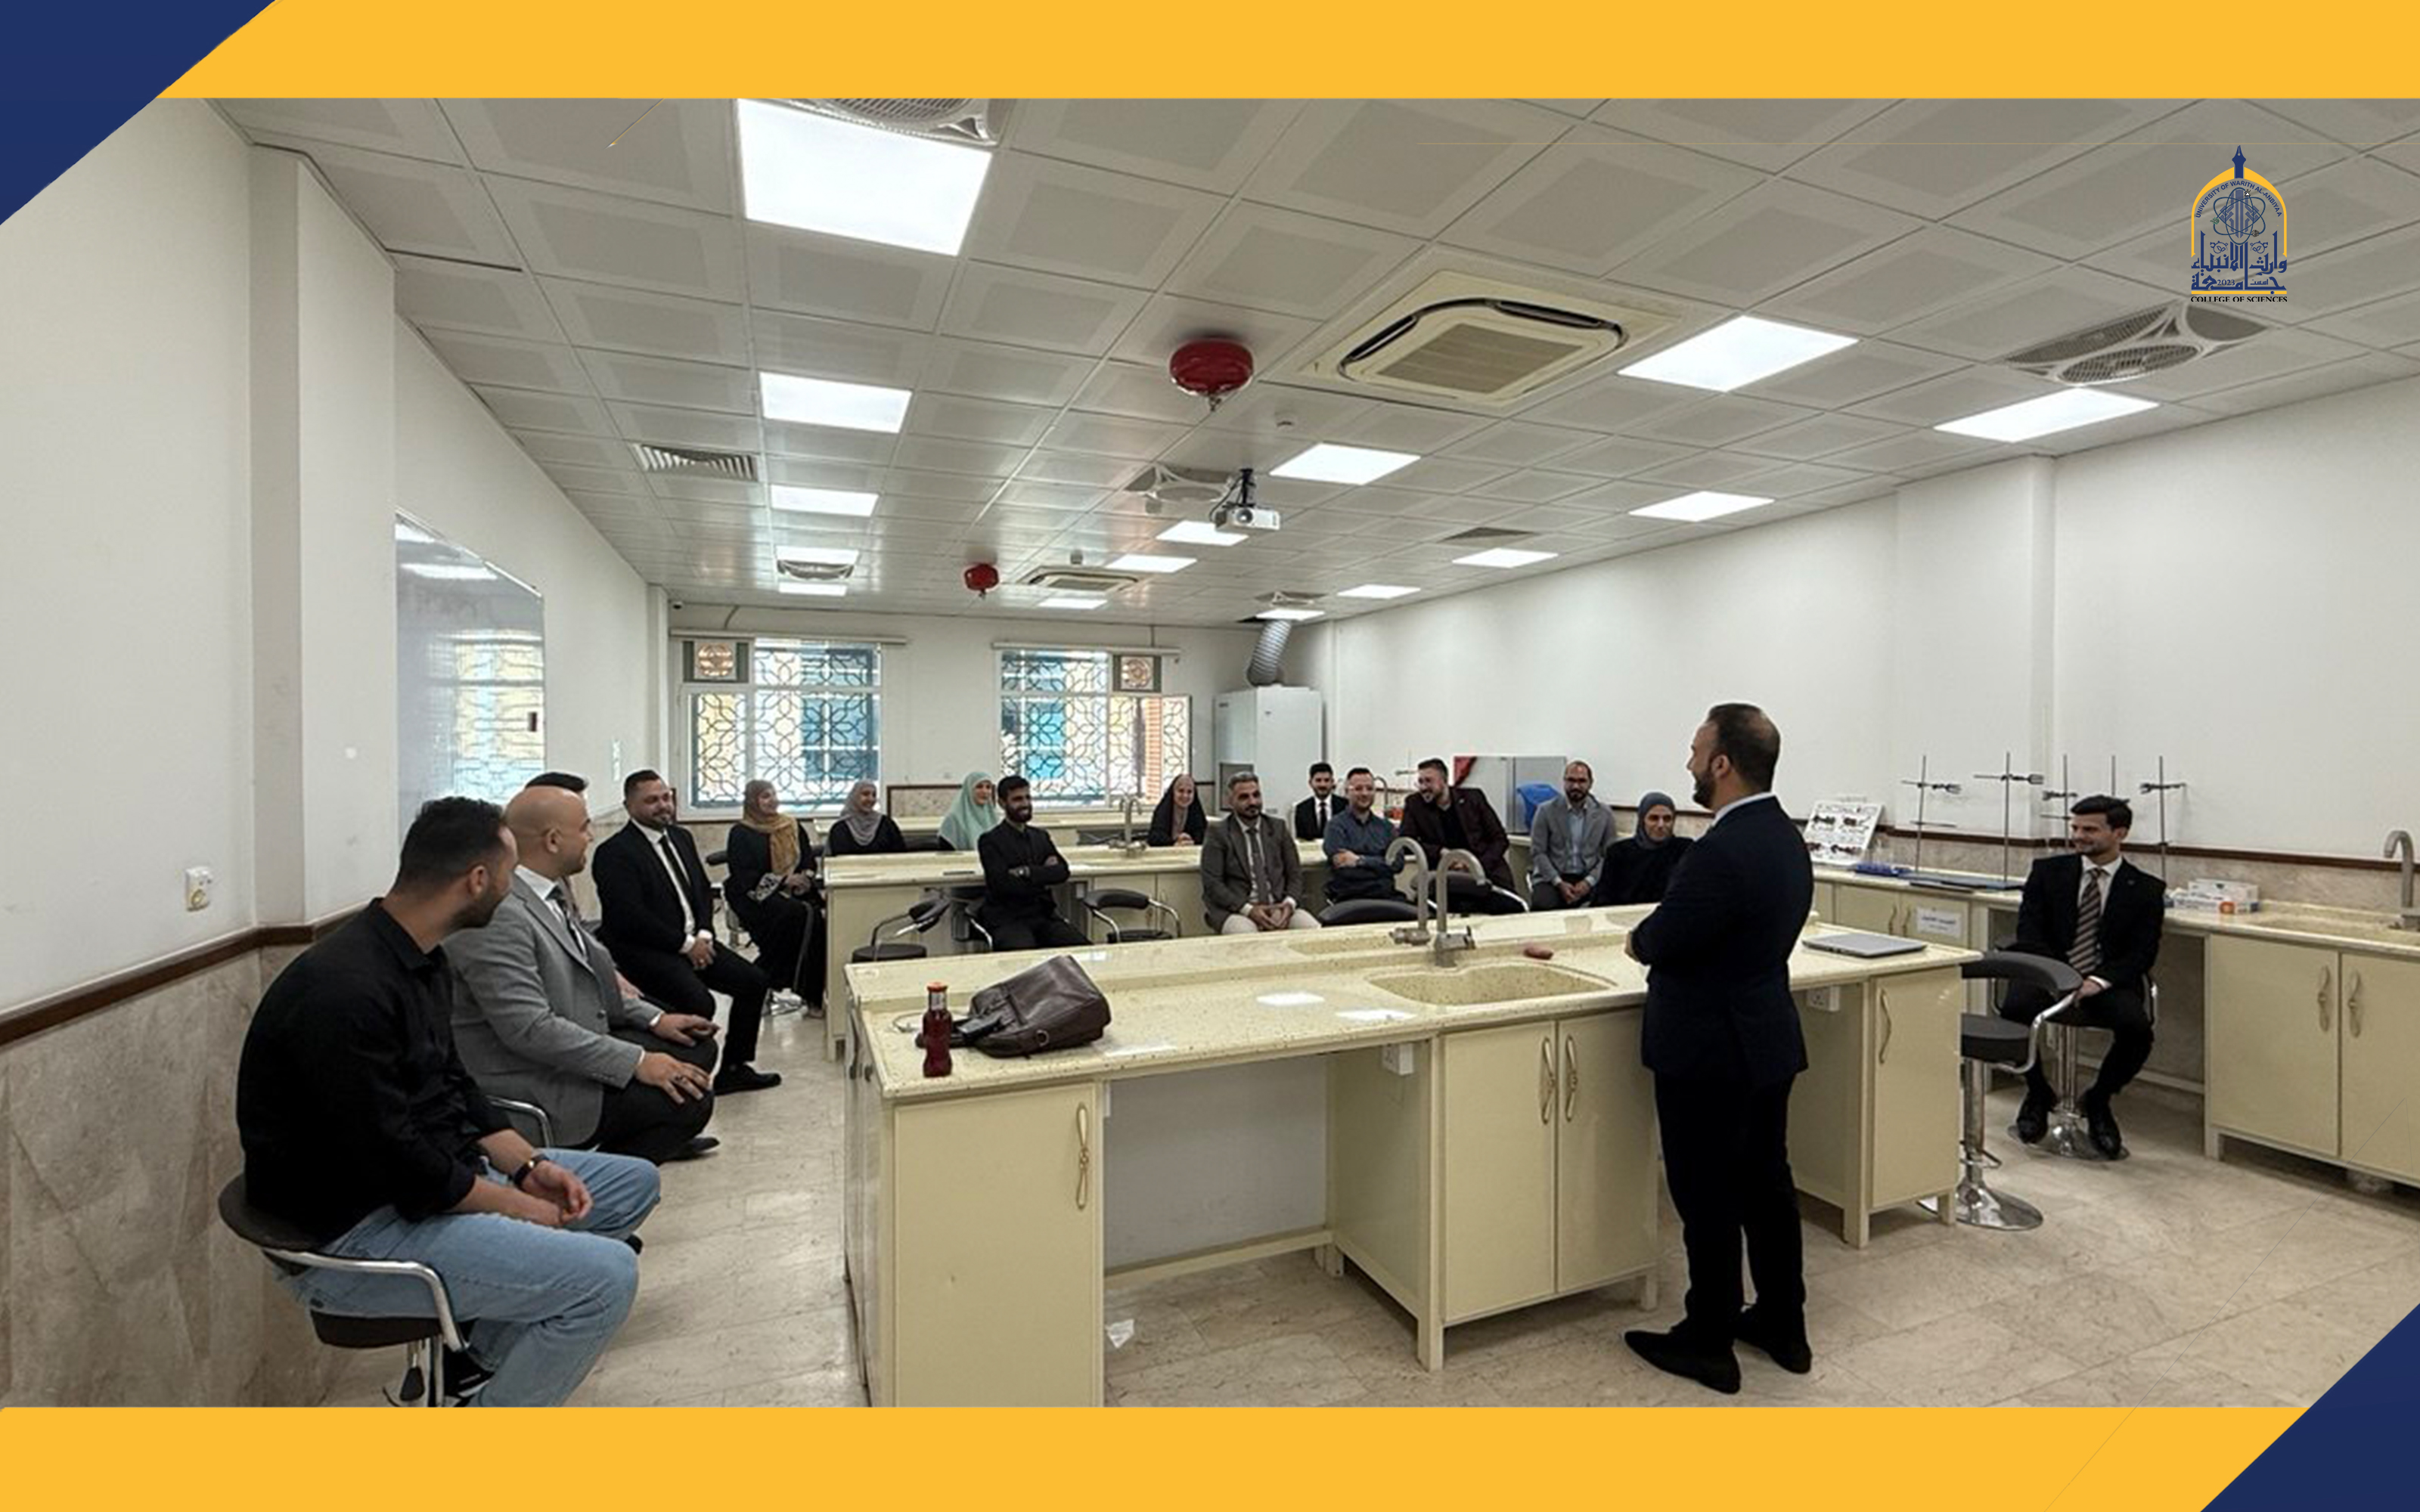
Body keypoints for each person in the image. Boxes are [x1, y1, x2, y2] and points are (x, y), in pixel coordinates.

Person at [235, 797, 659, 1408]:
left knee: (631, 1185)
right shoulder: (344, 992)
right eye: (509, 876)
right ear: (477, 880)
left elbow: (453, 1084)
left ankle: (476, 1361)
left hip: (430, 1179)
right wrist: (514, 1206)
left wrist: (528, 1167)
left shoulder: (418, 956)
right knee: (606, 1278)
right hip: (360, 1231)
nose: (512, 891)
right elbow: (401, 1164)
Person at [1621, 704, 1813, 1396]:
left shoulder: (1720, 851)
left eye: (1696, 751)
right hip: (1765, 1039)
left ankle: (1709, 1338)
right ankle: (1784, 1324)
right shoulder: (1785, 837)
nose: (1689, 763)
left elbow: (1664, 937)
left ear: (1722, 763)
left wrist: (1638, 940)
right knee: (1767, 1188)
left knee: (1706, 1196)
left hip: (1707, 1050)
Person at [448, 785, 721, 1165]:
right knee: (689, 1101)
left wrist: (655, 1019)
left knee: (697, 1046)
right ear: (553, 840)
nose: (591, 836)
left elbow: (588, 975)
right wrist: (638, 1062)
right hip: (533, 1076)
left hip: (574, 1034)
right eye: (584, 827)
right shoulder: (498, 914)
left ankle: (614, 1168)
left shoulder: (547, 892)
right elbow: (529, 1029)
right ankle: (581, 1182)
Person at [591, 770, 780, 1095]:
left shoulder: (681, 837)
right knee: (698, 1002)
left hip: (696, 940)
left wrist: (704, 934)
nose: (663, 805)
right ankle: (682, 1080)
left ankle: (735, 1069)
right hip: (649, 949)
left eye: (666, 797)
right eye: (652, 800)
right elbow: (629, 918)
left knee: (753, 981)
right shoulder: (615, 852)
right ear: (629, 806)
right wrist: (686, 944)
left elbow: (702, 890)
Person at [2002, 795, 2165, 1159]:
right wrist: (2060, 977)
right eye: (2075, 827)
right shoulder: (2048, 873)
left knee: (2137, 1029)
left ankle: (2099, 1100)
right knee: (2015, 1009)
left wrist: (2097, 981)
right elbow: (2029, 932)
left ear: (2120, 833)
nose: (2078, 836)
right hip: (2050, 972)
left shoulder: (2146, 889)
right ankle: (2037, 1092)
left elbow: (2141, 952)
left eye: (2090, 829)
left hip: (2105, 980)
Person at [724, 779, 826, 1012]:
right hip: (754, 894)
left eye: (774, 795)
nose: (772, 801)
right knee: (796, 916)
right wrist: (783, 881)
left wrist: (805, 879)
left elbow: (808, 861)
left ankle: (809, 993)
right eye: (765, 796)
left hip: (795, 891)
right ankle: (764, 982)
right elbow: (744, 875)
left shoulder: (791, 825)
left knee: (815, 919)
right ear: (753, 802)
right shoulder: (741, 832)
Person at [976, 775, 1089, 951]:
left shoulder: (1040, 837)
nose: (1025, 804)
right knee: (1023, 955)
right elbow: (1002, 885)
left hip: (1043, 916)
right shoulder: (990, 841)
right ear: (1002, 803)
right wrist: (1044, 876)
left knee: (1083, 949)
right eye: (1017, 799)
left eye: (1028, 798)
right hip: (1008, 919)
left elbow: (1062, 872)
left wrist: (1026, 872)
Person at [1202, 772, 1321, 934]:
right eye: (1244, 797)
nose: (1253, 802)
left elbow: (1295, 875)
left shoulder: (1278, 828)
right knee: (1248, 937)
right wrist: (1249, 910)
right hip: (1238, 910)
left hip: (1280, 906)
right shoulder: (1218, 833)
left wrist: (1289, 904)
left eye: (1256, 795)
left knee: (1315, 931)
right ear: (1230, 801)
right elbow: (1213, 884)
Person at [1396, 757, 1516, 892]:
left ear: (1444, 781)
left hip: (1487, 869)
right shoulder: (1415, 804)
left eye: (1428, 781)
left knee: (1508, 902)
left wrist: (1475, 865)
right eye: (1420, 782)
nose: (1423, 787)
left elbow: (1500, 839)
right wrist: (1440, 852)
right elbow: (1407, 843)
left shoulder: (1473, 798)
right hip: (1444, 874)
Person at [1528, 760, 1615, 911]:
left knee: (1606, 904)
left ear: (1591, 783)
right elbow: (1538, 852)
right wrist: (1558, 882)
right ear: (1564, 781)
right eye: (1571, 780)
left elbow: (1610, 855)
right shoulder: (1545, 811)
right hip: (1553, 878)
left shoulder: (1604, 814)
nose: (1576, 786)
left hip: (1589, 877)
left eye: (1582, 781)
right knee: (1543, 906)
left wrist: (1589, 882)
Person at [1593, 791, 1695, 906]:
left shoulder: (1684, 850)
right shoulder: (1619, 853)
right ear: (1642, 820)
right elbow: (1605, 897)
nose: (1661, 825)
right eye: (1654, 818)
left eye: (1667, 819)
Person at [1323, 767, 1407, 905]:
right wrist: (1382, 865)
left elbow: (1398, 864)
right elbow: (1344, 868)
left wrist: (1359, 861)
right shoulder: (1335, 826)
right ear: (1347, 792)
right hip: (1350, 898)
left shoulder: (1386, 827)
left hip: (1385, 896)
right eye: (1358, 789)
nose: (1365, 793)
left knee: (1417, 914)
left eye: (1369, 788)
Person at [827, 779, 906, 857]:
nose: (871, 799)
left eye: (874, 795)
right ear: (855, 797)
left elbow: (900, 855)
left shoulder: (887, 825)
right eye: (865, 794)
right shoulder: (840, 829)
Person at [937, 772, 1001, 853]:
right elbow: (947, 854)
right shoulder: (953, 819)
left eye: (988, 787)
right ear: (969, 790)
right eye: (979, 787)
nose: (985, 791)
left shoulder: (993, 817)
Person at [1147, 773, 1207, 847]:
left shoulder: (1196, 812)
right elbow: (1155, 838)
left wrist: (1192, 841)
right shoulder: (1163, 812)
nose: (1185, 796)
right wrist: (1174, 842)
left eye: (1189, 792)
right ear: (1173, 792)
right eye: (1181, 791)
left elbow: (1204, 835)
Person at [1292, 762, 1341, 842]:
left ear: (1332, 782)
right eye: (1318, 780)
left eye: (1327, 780)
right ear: (1310, 783)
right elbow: (1302, 841)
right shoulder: (1302, 809)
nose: (1323, 785)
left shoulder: (1345, 806)